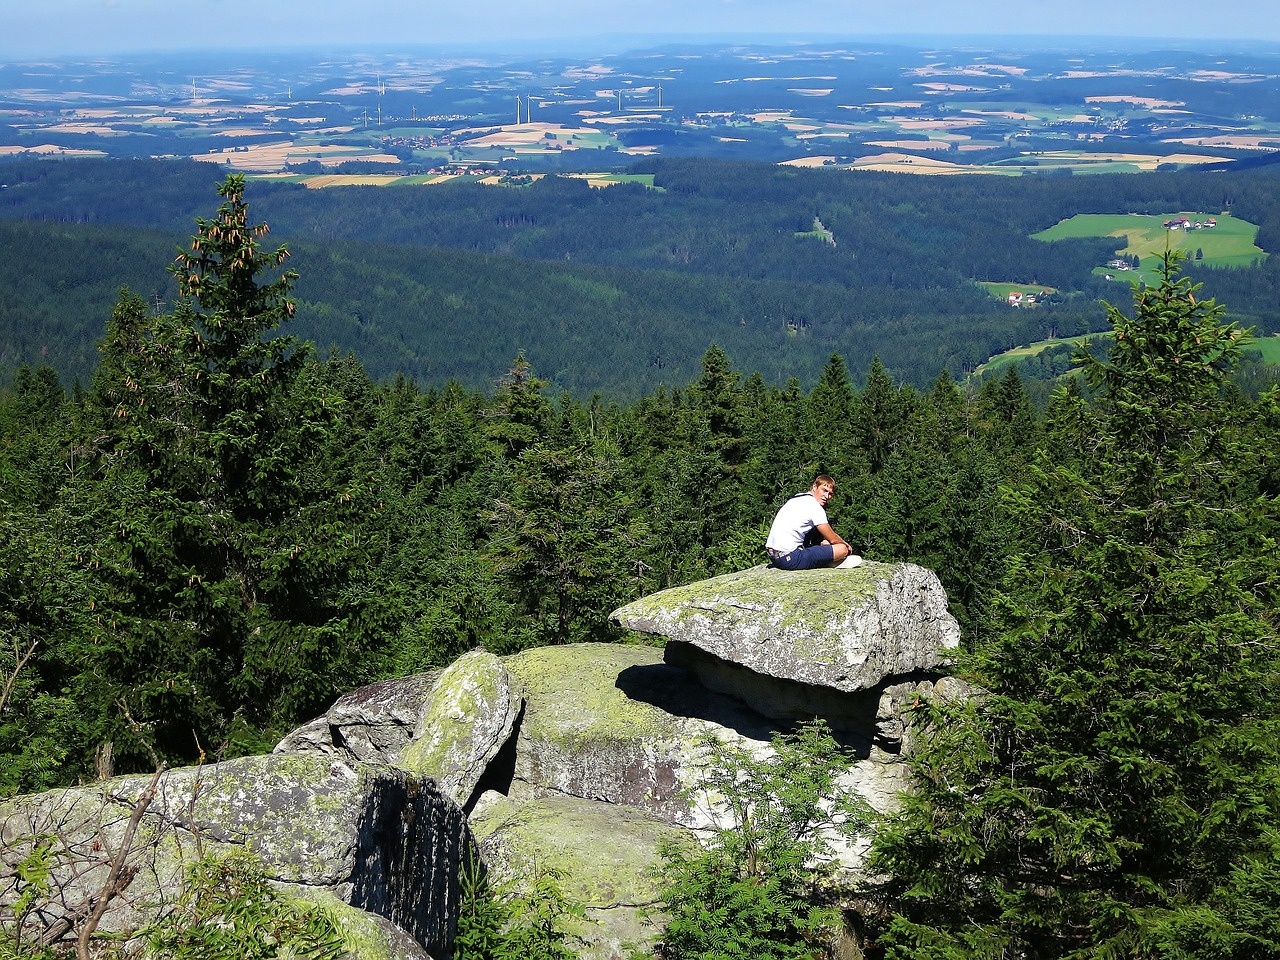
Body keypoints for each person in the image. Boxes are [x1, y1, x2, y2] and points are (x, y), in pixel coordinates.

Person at [765, 475, 861, 570]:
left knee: (815, 530)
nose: (827, 496)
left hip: (775, 557)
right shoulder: (814, 506)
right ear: (815, 487)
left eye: (830, 493)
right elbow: (833, 539)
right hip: (790, 559)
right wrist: (847, 546)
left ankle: (823, 555)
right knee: (842, 549)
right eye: (824, 490)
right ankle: (829, 561)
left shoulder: (797, 498)